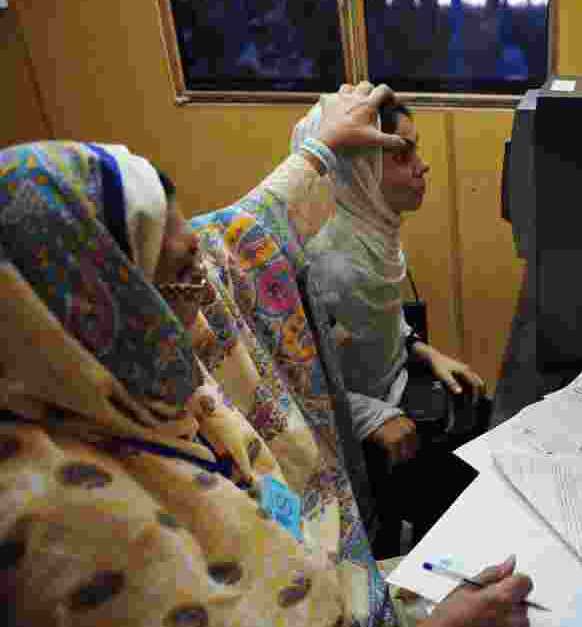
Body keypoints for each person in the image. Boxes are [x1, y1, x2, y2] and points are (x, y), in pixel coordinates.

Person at [0, 83, 533, 627]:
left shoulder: (110, 367)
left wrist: (320, 149)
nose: (211, 295)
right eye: (184, 275)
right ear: (100, 308)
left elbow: (238, 235)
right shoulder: (71, 536)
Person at [291, 95, 488, 553]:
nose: (423, 167)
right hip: (359, 441)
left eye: (416, 150)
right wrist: (371, 417)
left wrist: (425, 351)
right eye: (403, 155)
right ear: (358, 174)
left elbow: (380, 321)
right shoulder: (331, 267)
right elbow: (301, 384)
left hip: (396, 393)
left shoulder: (373, 235)